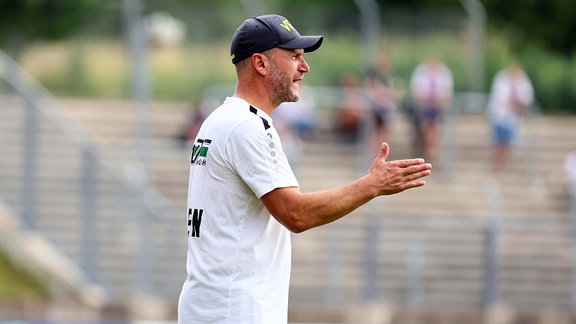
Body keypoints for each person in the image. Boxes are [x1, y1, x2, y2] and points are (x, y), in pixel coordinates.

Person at [177, 14, 432, 324]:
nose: (304, 67)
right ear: (260, 63)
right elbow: (295, 214)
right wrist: (372, 185)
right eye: (294, 56)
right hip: (237, 311)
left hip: (210, 307)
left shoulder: (220, 118)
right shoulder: (249, 126)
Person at [486, 62, 534, 171]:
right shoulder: (501, 79)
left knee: (506, 143)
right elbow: (499, 98)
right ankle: (498, 163)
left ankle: (501, 163)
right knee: (499, 142)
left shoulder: (522, 81)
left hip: (512, 118)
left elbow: (527, 99)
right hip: (500, 116)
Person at [409, 55, 453, 162]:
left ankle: (432, 153)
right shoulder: (421, 72)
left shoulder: (444, 73)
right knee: (427, 129)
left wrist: (439, 99)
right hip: (425, 107)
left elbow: (447, 92)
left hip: (437, 107)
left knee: (434, 130)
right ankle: (430, 152)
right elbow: (416, 91)